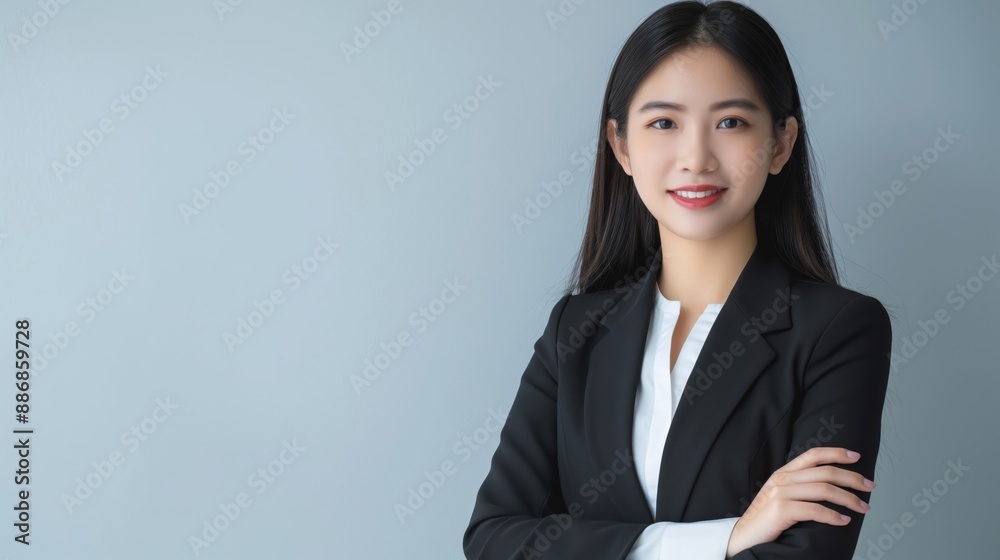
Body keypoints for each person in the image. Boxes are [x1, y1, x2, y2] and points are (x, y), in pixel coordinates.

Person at [463, 2, 894, 559]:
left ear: (781, 143)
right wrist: (726, 537)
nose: (696, 158)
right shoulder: (576, 331)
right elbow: (494, 539)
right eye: (663, 122)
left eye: (731, 122)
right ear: (622, 146)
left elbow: (807, 554)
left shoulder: (838, 330)